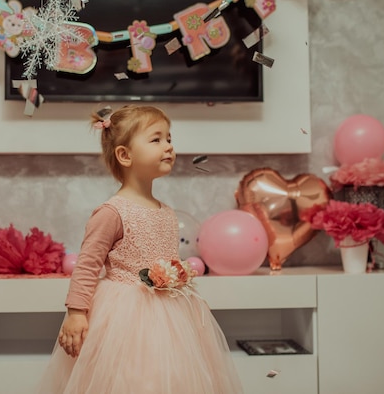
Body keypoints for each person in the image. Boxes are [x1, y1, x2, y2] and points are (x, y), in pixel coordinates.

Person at [35, 105, 243, 393]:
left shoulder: (167, 212)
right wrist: (76, 313)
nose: (168, 146)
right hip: (124, 317)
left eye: (169, 138)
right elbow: (87, 265)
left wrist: (191, 299)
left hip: (171, 316)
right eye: (156, 139)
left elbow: (171, 265)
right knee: (129, 380)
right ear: (124, 155)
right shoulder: (111, 212)